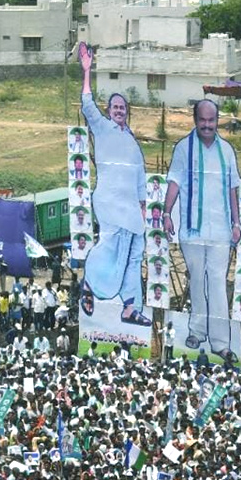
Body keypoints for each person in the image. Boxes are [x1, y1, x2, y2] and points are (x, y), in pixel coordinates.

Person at [75, 41, 150, 327]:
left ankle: (130, 308)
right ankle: (90, 286)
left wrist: (143, 206)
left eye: (123, 107)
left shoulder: (131, 141)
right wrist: (87, 71)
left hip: (131, 209)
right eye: (115, 106)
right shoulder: (102, 127)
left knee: (133, 256)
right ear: (108, 110)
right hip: (109, 202)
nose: (119, 110)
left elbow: (140, 176)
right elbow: (86, 104)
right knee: (108, 248)